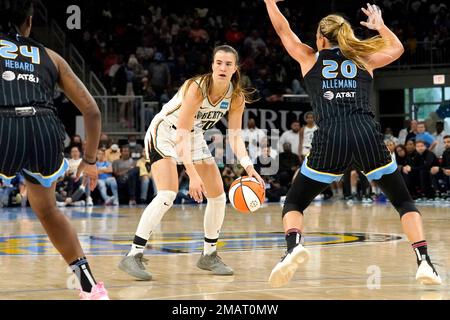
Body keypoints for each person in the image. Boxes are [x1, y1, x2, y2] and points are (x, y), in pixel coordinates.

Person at [264, 1, 441, 288]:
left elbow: (283, 30)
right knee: (404, 202)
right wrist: (380, 25)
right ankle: (424, 262)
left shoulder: (309, 58)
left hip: (330, 138)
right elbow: (397, 49)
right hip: (366, 135)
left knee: (295, 202)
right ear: (346, 34)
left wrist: (270, 3)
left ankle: (293, 246)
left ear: (321, 38)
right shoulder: (363, 58)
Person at [118, 45, 264, 280]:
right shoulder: (197, 88)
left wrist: (249, 168)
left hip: (193, 135)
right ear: (212, 65)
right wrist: (193, 175)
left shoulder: (236, 97)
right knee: (167, 194)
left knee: (218, 196)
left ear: (235, 69)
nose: (222, 67)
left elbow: (235, 136)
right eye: (218, 63)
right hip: (166, 131)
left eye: (228, 64)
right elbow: (181, 135)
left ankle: (209, 255)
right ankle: (133, 254)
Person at [0, 1, 108, 299]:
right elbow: (93, 111)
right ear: (29, 23)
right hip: (45, 128)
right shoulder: (51, 56)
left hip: (3, 124)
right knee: (47, 210)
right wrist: (88, 161)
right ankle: (90, 285)